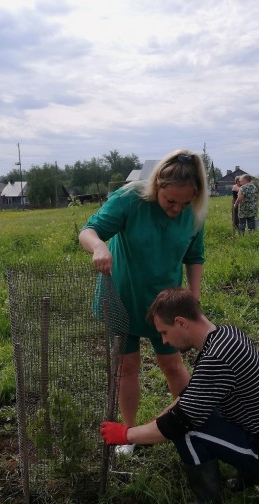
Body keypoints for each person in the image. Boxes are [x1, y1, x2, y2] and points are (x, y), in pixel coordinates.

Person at [101, 287, 259, 504]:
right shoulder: (225, 335)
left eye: (164, 332)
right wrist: (151, 423)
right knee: (189, 415)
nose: (164, 340)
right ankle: (245, 475)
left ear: (181, 322)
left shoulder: (217, 358)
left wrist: (125, 435)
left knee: (186, 430)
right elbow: (189, 396)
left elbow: (177, 423)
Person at [79, 150, 208, 455]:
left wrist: (193, 299)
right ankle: (130, 434)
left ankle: (193, 427)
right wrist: (99, 247)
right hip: (122, 299)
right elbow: (89, 230)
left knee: (172, 363)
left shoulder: (195, 212)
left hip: (165, 308)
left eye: (184, 203)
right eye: (170, 202)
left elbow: (194, 256)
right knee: (127, 366)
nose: (177, 209)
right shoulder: (130, 199)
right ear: (156, 189)